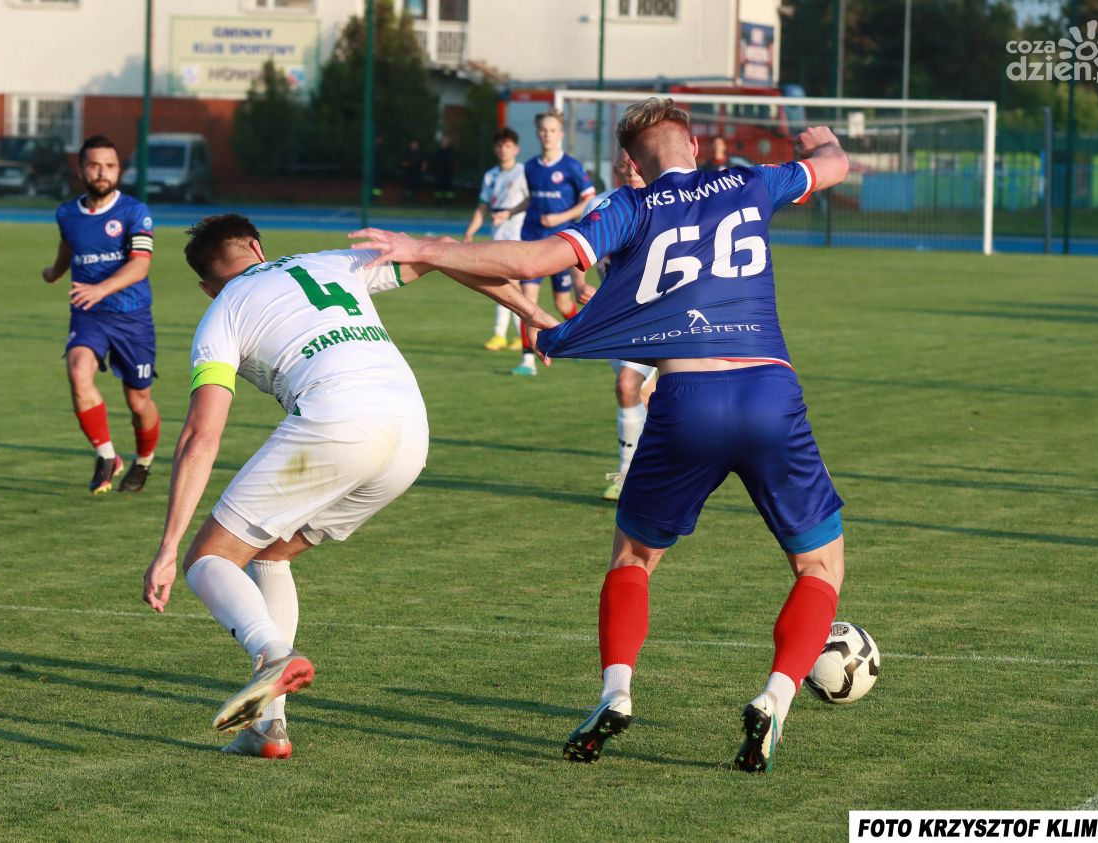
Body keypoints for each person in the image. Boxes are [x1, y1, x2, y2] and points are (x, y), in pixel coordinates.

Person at [349, 97, 850, 774]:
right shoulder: (750, 180)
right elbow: (834, 165)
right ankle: (776, 696)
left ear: (633, 164)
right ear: (693, 145)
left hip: (684, 398)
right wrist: (820, 143)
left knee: (633, 559)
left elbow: (534, 260)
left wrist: (425, 248)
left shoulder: (629, 207)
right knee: (818, 567)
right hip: (768, 390)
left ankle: (617, 691)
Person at [141, 214, 554, 758]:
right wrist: (531, 312)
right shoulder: (329, 262)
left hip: (337, 423)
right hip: (410, 435)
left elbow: (201, 434)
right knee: (271, 553)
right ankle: (268, 727)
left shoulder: (222, 312)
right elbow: (440, 249)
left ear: (205, 286)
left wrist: (169, 548)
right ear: (258, 248)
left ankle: (272, 654)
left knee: (209, 559)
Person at [42, 134, 160, 495]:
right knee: (78, 373)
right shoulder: (67, 213)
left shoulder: (135, 212)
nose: (102, 172)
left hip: (131, 316)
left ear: (119, 170)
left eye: (110, 166)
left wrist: (100, 289)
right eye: (94, 165)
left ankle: (144, 460)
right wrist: (55, 272)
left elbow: (140, 266)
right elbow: (69, 245)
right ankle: (107, 456)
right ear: (81, 170)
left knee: (138, 401)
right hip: (88, 313)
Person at [584, 150, 656, 502]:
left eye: (635, 163)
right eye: (624, 164)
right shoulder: (600, 204)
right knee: (648, 398)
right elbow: (579, 250)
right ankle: (661, 469)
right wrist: (579, 281)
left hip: (652, 318)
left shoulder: (663, 204)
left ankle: (627, 475)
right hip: (611, 320)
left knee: (628, 385)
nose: (630, 170)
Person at [511, 109, 597, 376]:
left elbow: (589, 199)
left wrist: (560, 217)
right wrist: (510, 211)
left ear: (560, 134)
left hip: (561, 246)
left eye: (552, 130)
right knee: (527, 304)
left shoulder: (571, 166)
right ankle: (527, 360)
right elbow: (532, 199)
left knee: (563, 304)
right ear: (538, 134)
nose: (547, 135)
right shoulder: (530, 167)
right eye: (543, 130)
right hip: (532, 243)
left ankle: (581, 340)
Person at [464, 127, 529, 352]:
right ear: (495, 149)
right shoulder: (490, 175)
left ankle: (520, 335)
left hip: (517, 236)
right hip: (497, 236)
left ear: (516, 149)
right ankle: (503, 335)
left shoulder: (522, 172)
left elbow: (529, 200)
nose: (503, 150)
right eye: (500, 146)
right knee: (500, 283)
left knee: (512, 286)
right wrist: (470, 232)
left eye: (508, 146)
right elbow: (482, 207)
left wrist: (509, 213)